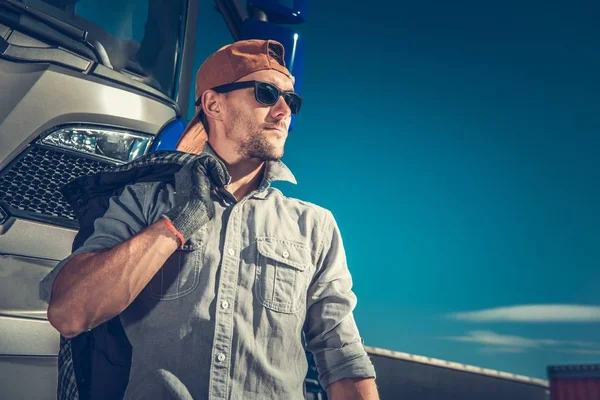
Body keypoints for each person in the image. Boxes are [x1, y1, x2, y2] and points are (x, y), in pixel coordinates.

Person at [40, 39, 378, 399]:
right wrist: (176, 224)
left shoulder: (315, 227)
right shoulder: (145, 202)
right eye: (266, 94)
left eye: (291, 101)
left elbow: (342, 357)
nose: (283, 111)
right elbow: (70, 313)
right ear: (213, 103)